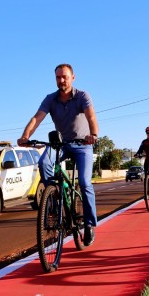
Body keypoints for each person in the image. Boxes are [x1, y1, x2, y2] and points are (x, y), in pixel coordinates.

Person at [18, 63, 99, 247]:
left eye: (65, 77)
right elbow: (36, 118)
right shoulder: (50, 99)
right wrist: (25, 136)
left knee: (85, 183)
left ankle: (88, 224)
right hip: (61, 144)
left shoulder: (82, 96)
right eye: (58, 77)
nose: (61, 80)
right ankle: (54, 199)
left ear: (73, 77)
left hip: (82, 144)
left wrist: (93, 135)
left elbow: (91, 117)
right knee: (44, 163)